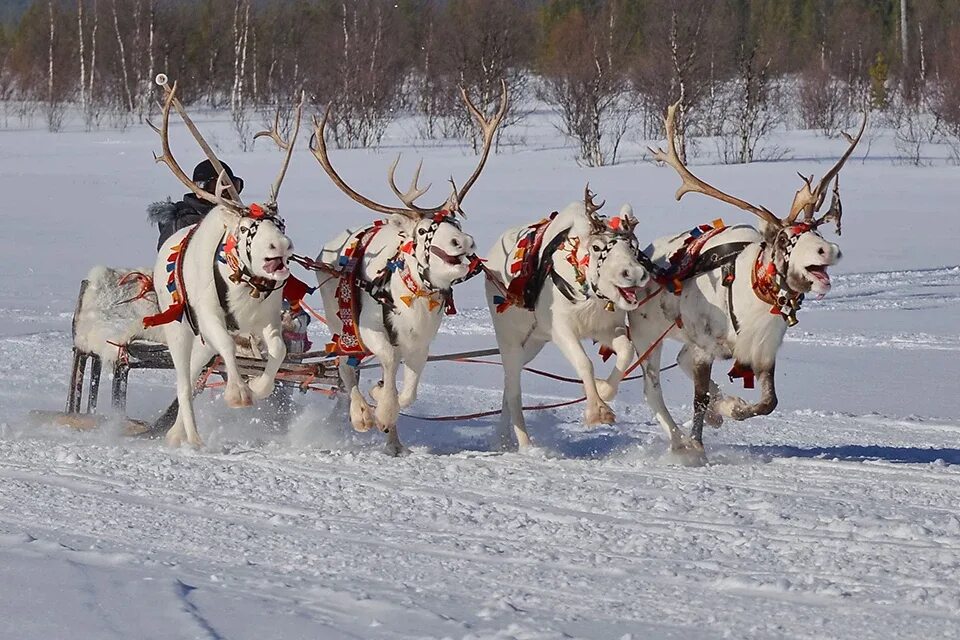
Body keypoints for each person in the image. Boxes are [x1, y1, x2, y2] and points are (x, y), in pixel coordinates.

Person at [147, 159, 245, 250]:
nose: (227, 194)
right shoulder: (182, 223)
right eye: (215, 187)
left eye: (233, 186)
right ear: (199, 189)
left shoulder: (234, 218)